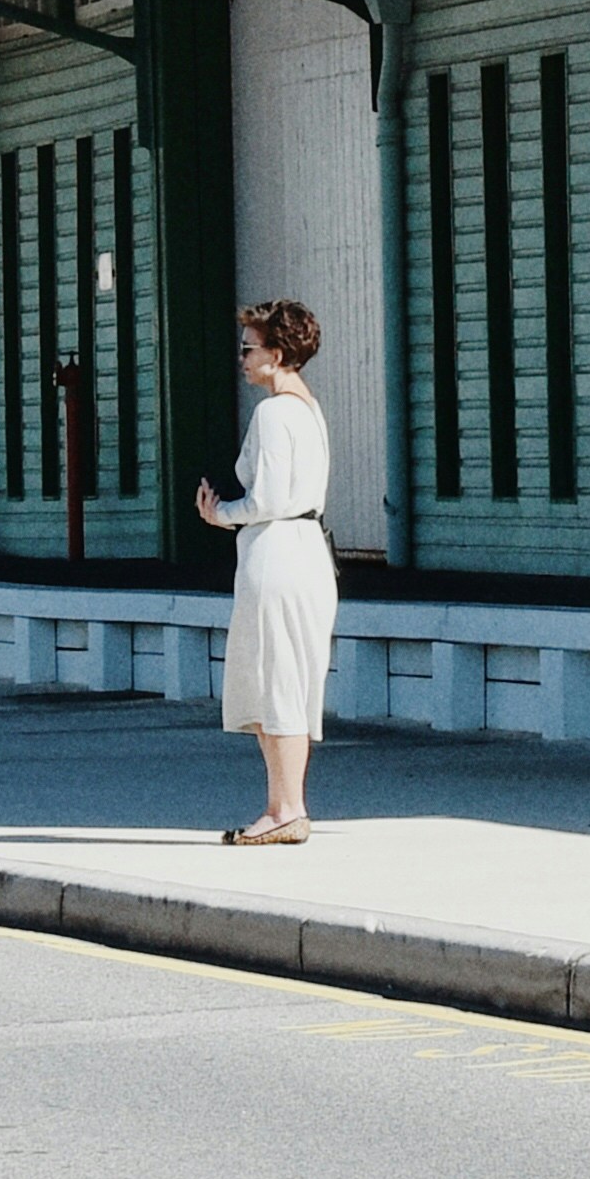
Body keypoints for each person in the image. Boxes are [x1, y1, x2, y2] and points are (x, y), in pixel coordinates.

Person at [192, 300, 334, 845]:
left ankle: (287, 809)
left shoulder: (273, 413)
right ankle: (280, 806)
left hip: (277, 553)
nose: (242, 358)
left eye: (249, 349)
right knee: (285, 679)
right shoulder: (307, 409)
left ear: (277, 355)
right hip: (303, 550)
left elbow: (270, 497)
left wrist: (220, 514)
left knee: (276, 680)